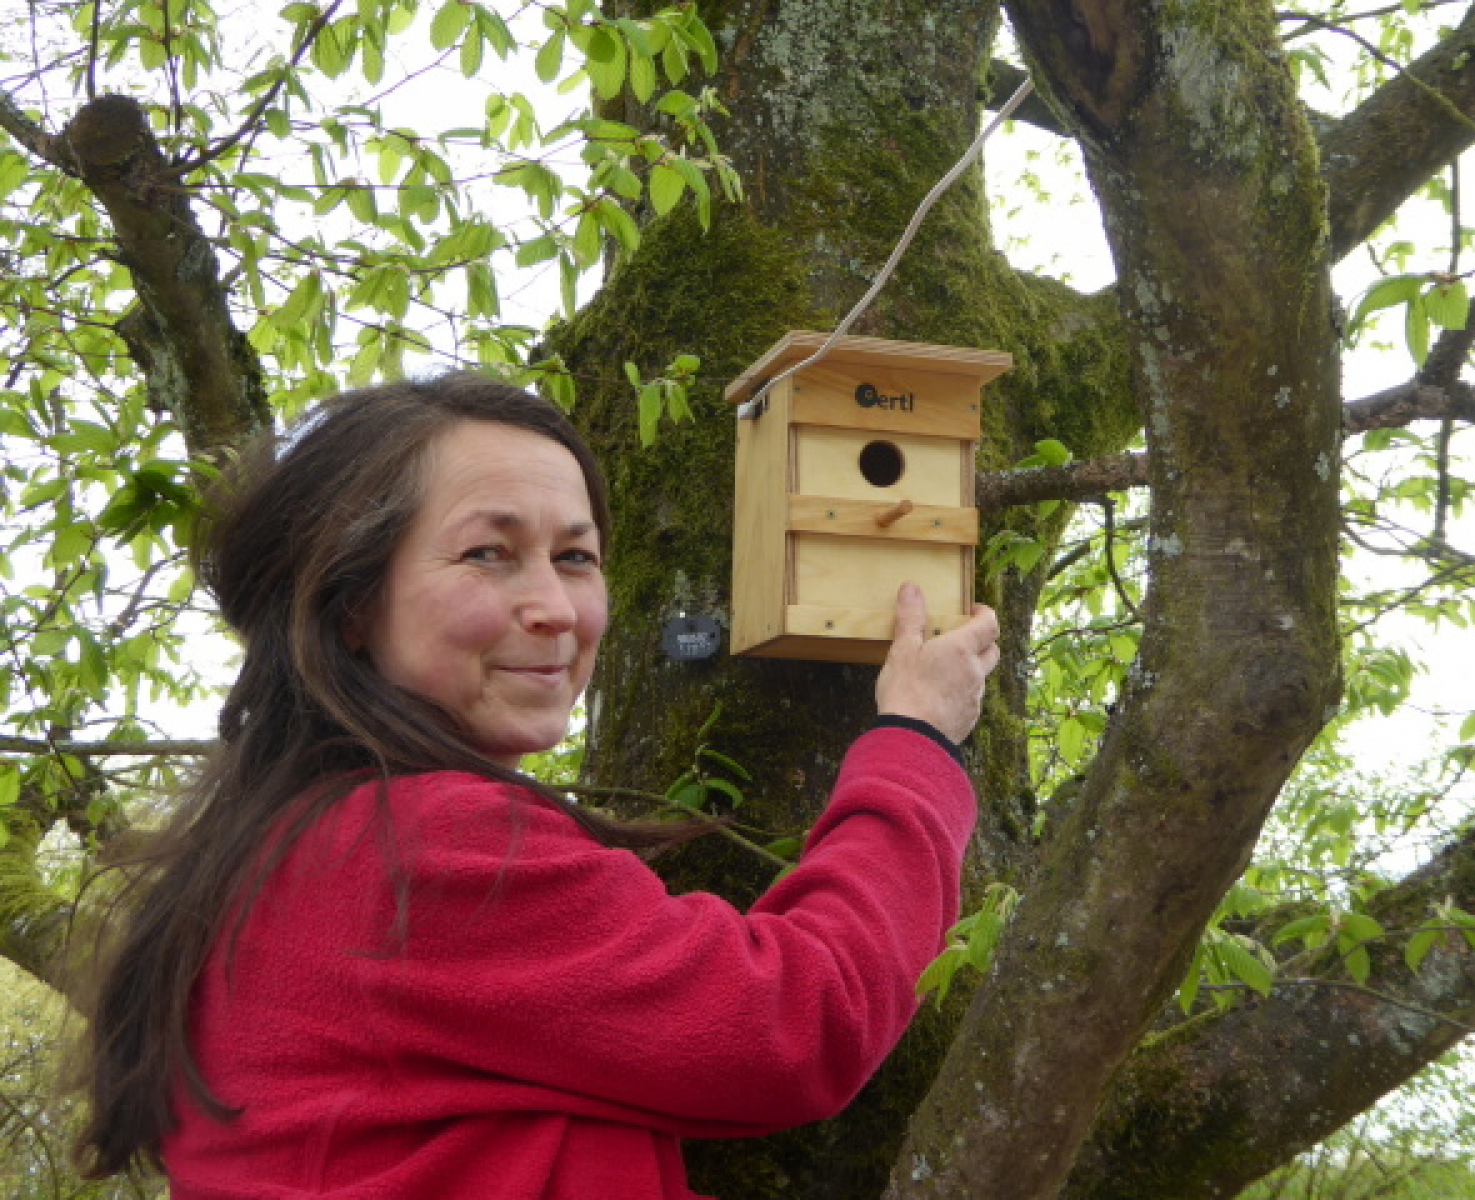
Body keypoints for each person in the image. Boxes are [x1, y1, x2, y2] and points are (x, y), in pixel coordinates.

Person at [74, 373, 1000, 1199]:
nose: (555, 609)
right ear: (352, 604)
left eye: (575, 557)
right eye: (489, 554)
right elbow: (798, 1023)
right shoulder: (424, 844)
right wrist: (916, 742)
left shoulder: (283, 841)